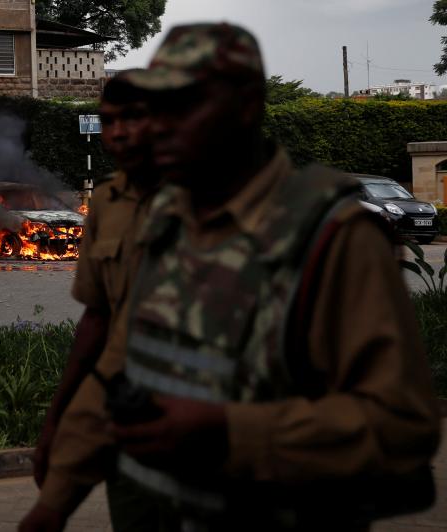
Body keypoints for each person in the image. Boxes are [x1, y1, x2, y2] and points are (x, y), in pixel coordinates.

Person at [22, 23, 441, 532]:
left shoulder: (333, 236)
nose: (161, 128)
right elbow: (123, 366)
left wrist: (231, 432)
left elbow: (401, 427)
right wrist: (56, 500)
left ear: (244, 109)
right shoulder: (166, 222)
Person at [30, 72, 163, 529]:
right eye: (108, 121)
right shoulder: (107, 203)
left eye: (134, 118)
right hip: (133, 442)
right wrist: (55, 425)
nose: (118, 133)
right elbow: (99, 322)